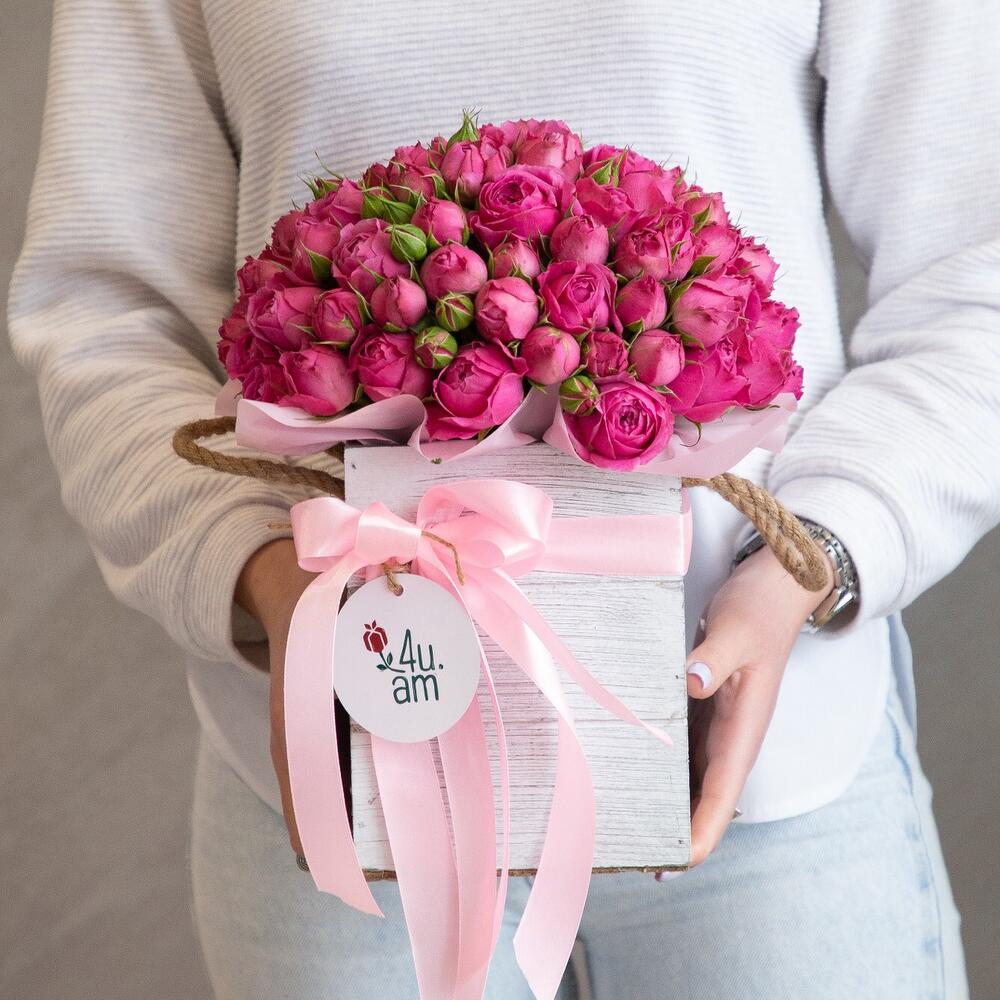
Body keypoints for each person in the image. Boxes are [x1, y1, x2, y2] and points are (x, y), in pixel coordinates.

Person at [9, 1, 998, 997]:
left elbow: (975, 278)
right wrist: (265, 580)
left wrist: (810, 558)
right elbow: (108, 313)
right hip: (350, 772)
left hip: (770, 773)